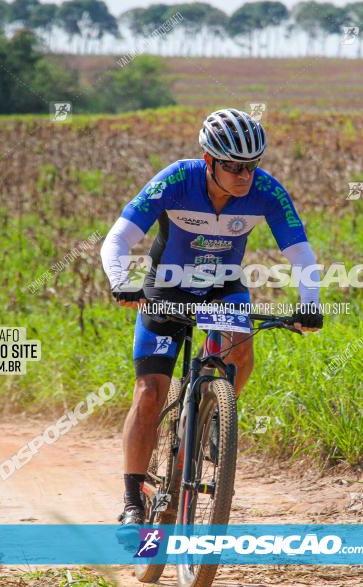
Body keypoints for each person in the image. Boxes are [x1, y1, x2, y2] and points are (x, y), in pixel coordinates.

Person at [100, 108, 323, 526]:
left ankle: (207, 420)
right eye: (234, 166)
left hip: (224, 286)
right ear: (209, 161)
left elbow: (301, 253)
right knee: (150, 390)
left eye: (252, 165)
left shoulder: (267, 192)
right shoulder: (176, 180)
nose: (244, 176)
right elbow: (118, 238)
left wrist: (310, 302)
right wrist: (121, 281)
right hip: (167, 286)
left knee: (242, 353)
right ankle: (132, 501)